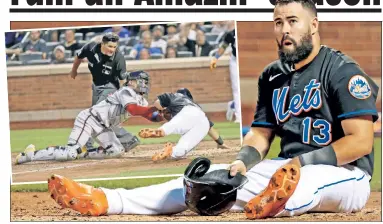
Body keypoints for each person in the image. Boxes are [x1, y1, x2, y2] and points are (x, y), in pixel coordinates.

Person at [47, 0, 379, 219]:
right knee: (206, 180)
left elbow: (361, 142)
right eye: (278, 22)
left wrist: (299, 163)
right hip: (283, 169)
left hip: (345, 175)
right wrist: (241, 162)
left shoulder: (341, 71)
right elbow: (261, 136)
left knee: (306, 183)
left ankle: (273, 201)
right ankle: (108, 199)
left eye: (293, 21)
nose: (284, 29)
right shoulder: (272, 75)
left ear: (314, 25)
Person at [15, 71, 163, 164]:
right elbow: (133, 109)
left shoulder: (142, 100)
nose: (137, 83)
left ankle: (83, 153)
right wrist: (155, 108)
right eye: (136, 81)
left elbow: (149, 115)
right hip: (90, 119)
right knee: (68, 153)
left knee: (116, 151)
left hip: (104, 127)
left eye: (139, 81)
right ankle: (29, 155)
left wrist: (164, 116)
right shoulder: (126, 91)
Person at [70, 32, 141, 153]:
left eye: (114, 47)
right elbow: (78, 57)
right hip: (96, 87)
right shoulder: (90, 48)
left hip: (110, 88)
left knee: (96, 115)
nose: (112, 49)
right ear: (102, 44)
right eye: (110, 46)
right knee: (97, 117)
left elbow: (123, 80)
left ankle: (125, 139)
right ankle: (90, 145)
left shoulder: (118, 58)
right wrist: (74, 71)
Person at [138, 87, 229, 162]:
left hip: (187, 112)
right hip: (203, 122)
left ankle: (161, 131)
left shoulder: (175, 96)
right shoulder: (196, 105)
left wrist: (161, 110)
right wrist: (220, 143)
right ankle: (172, 152)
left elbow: (157, 103)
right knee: (183, 148)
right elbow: (210, 128)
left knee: (173, 125)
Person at [210, 28, 240, 123]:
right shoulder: (231, 33)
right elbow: (223, 46)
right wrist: (215, 58)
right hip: (235, 60)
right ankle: (239, 117)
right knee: (237, 88)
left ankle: (232, 105)